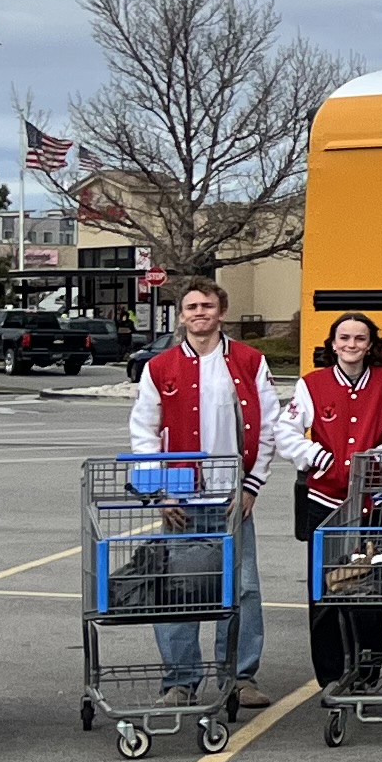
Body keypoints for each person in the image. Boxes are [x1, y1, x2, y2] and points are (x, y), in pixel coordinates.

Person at [127, 277, 272, 707]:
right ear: (182, 314)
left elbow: (266, 428)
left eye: (207, 305)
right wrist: (160, 493)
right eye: (191, 306)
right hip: (181, 501)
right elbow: (144, 433)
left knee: (243, 588)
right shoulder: (160, 368)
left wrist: (252, 485)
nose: (199, 313)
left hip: (233, 498)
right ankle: (179, 681)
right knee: (178, 590)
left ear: (220, 312)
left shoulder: (248, 361)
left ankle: (240, 678)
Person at [280, 310, 382, 695]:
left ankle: (368, 675)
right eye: (344, 338)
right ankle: (331, 676)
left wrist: (379, 457)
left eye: (359, 338)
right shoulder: (312, 384)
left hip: (375, 502)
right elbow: (285, 431)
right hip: (326, 502)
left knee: (372, 591)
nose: (351, 345)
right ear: (332, 344)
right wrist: (314, 455)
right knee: (325, 591)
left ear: (370, 345)